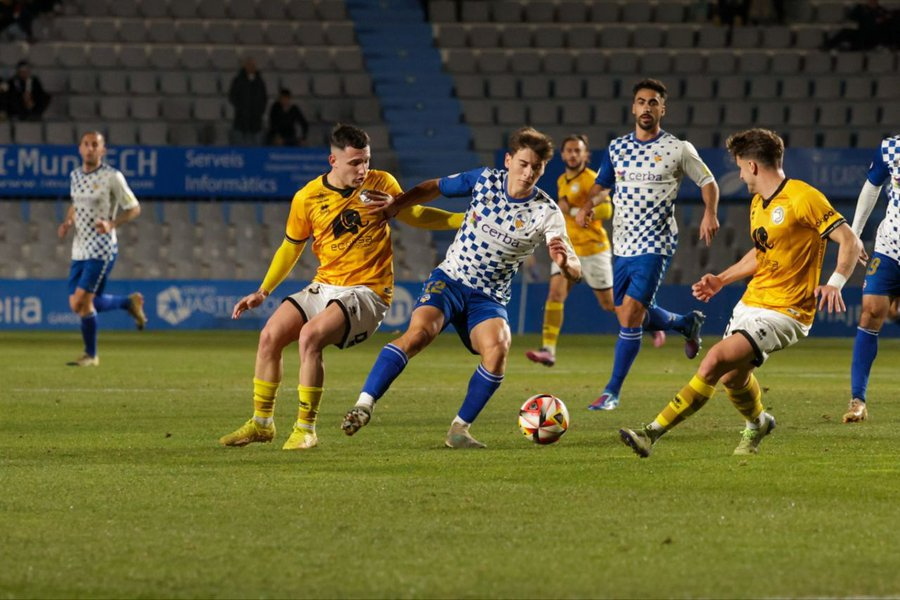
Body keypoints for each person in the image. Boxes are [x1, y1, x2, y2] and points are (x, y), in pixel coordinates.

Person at [619, 128, 863, 458]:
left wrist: (835, 282)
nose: (739, 175)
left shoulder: (804, 197)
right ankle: (758, 422)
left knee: (714, 360)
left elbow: (850, 240)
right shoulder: (758, 203)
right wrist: (721, 279)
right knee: (733, 378)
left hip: (786, 311)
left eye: (739, 167)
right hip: (751, 302)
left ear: (752, 165)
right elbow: (762, 253)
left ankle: (651, 433)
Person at [219, 123, 463, 451]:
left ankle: (306, 429)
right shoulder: (307, 197)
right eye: (355, 163)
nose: (362, 169)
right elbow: (291, 246)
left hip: (368, 291)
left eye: (366, 161)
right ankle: (262, 423)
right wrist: (263, 291)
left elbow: (414, 213)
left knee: (310, 337)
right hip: (326, 285)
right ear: (333, 161)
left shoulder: (381, 183)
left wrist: (460, 220)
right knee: (269, 336)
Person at [340, 126, 582, 449]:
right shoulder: (484, 180)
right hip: (451, 279)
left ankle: (459, 429)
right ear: (508, 160)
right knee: (418, 334)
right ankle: (364, 405)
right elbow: (434, 187)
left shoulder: (546, 212)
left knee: (498, 349)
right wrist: (396, 205)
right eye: (523, 164)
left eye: (536, 168)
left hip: (488, 298)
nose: (528, 173)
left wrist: (565, 264)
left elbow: (576, 271)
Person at [576, 78, 720, 411]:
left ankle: (611, 392)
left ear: (662, 109)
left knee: (630, 317)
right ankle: (685, 323)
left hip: (656, 242)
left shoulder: (678, 148)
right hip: (622, 243)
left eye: (653, 102)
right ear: (633, 107)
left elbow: (708, 181)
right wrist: (587, 205)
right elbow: (602, 184)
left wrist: (710, 213)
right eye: (641, 101)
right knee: (627, 314)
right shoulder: (617, 148)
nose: (646, 107)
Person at [525, 133, 663, 367]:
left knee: (610, 304)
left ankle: (652, 321)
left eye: (577, 151)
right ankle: (548, 350)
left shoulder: (592, 179)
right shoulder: (562, 180)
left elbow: (607, 210)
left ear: (586, 155)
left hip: (593, 250)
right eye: (569, 150)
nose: (573, 154)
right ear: (562, 155)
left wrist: (572, 210)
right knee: (555, 294)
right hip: (569, 249)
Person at [57, 131, 147, 367]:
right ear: (79, 148)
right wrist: (68, 222)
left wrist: (112, 224)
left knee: (82, 302)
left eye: (95, 145)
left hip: (101, 248)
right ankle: (128, 303)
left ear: (102, 150)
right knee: (79, 304)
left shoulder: (112, 177)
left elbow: (134, 208)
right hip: (79, 249)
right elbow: (76, 204)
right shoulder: (75, 176)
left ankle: (91, 355)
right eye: (86, 144)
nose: (90, 148)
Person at [842, 134, 900, 423]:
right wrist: (854, 234)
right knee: (870, 312)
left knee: (892, 312)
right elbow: (871, 186)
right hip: (889, 248)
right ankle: (858, 400)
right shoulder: (891, 148)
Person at [227, 57, 267, 146]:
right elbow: (232, 96)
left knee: (256, 149)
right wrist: (241, 108)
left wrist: (259, 111)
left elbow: (264, 98)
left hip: (256, 123)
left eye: (253, 65)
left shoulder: (260, 81)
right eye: (249, 65)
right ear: (245, 66)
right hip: (241, 122)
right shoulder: (238, 80)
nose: (251, 67)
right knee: (240, 149)